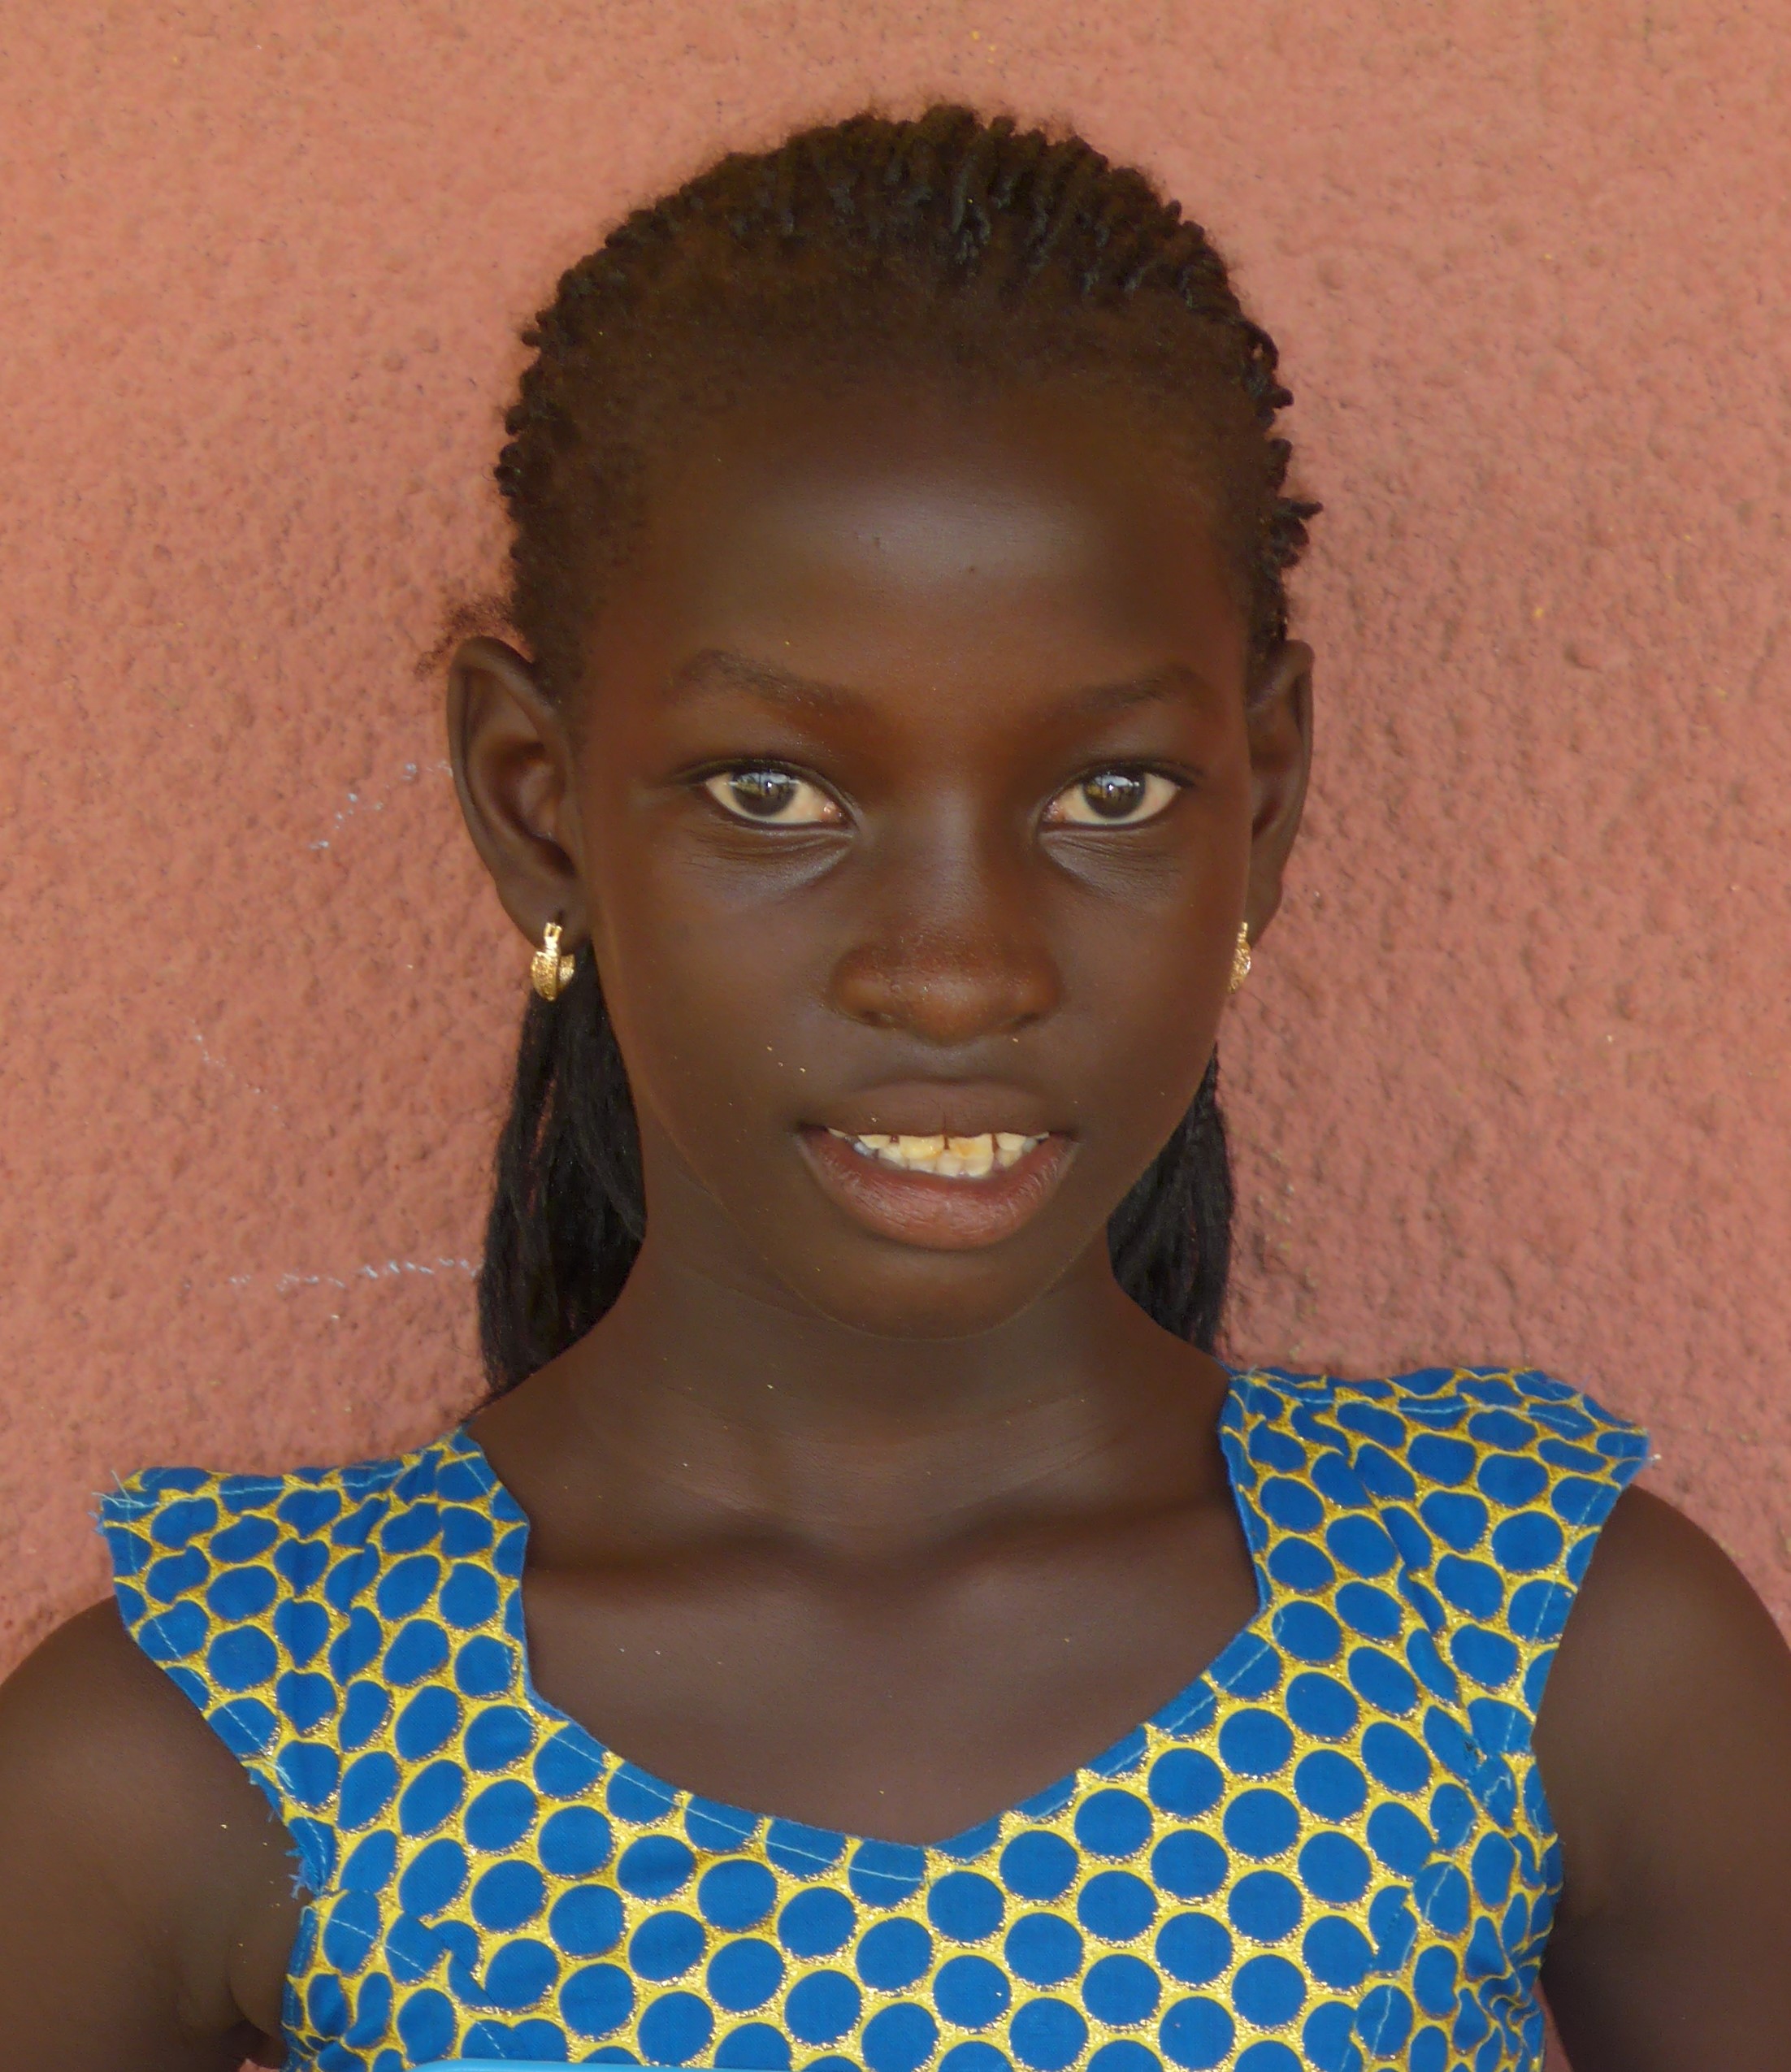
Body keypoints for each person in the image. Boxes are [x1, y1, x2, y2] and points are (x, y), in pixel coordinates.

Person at [1, 103, 1786, 2072]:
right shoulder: (206, 1756)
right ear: (535, 803)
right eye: (773, 794)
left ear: (1264, 804)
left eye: (1113, 792)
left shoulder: (1543, 1654)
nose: (958, 970)